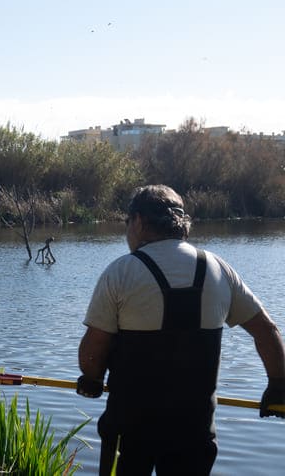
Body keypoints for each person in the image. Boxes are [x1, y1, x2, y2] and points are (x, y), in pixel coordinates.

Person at [77, 185, 285, 475]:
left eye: (126, 222)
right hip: (194, 432)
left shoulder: (122, 271)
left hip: (130, 431)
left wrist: (91, 379)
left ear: (138, 221)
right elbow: (267, 331)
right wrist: (277, 385)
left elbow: (94, 349)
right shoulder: (218, 268)